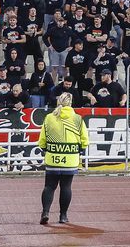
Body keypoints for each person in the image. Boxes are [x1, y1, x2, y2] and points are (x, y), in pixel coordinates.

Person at [37, 91, 90, 225]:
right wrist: (80, 150)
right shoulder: (78, 118)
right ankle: (63, 216)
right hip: (71, 157)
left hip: (53, 156)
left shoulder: (49, 117)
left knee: (49, 186)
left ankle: (45, 212)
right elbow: (84, 139)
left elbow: (42, 139)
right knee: (66, 187)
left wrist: (46, 149)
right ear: (71, 103)